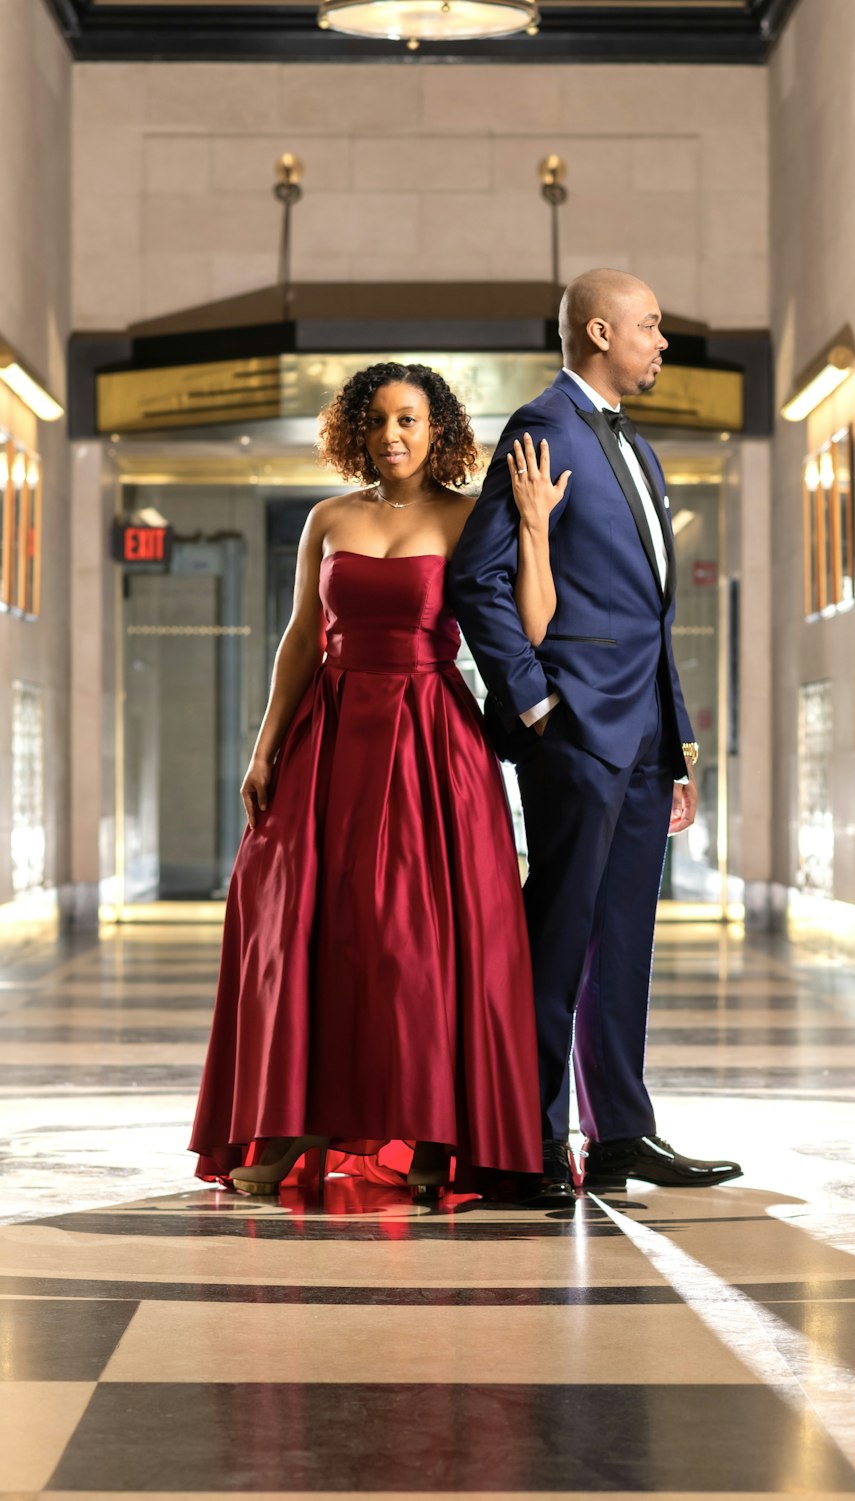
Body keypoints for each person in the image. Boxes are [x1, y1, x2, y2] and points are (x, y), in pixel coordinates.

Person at [189, 362, 548, 1200]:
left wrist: (531, 528)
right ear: (359, 428)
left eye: (410, 420)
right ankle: (295, 1121)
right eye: (380, 419)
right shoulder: (327, 517)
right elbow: (301, 638)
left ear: (437, 429)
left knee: (417, 939)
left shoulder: (468, 516)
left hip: (431, 737)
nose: (393, 434)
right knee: (308, 925)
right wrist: (265, 744)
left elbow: (528, 628)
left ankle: (432, 1134)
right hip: (332, 734)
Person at [449, 269, 743, 1204]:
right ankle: (528, 1144)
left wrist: (680, 744)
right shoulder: (542, 427)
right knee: (560, 940)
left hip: (643, 739)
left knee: (623, 944)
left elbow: (654, 617)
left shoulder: (640, 450)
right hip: (575, 734)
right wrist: (534, 703)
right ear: (601, 331)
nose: (663, 343)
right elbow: (477, 580)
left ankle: (620, 1133)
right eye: (652, 327)